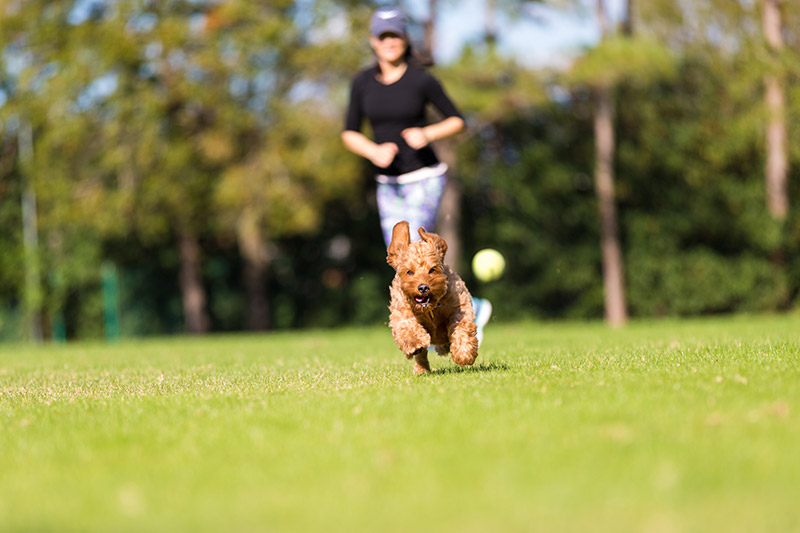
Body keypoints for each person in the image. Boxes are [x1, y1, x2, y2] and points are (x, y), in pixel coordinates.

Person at [341, 6, 492, 344]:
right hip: (388, 183)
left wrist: (428, 135)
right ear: (373, 42)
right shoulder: (362, 83)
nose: (389, 42)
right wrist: (373, 151)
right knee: (399, 258)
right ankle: (462, 310)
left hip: (424, 176)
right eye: (383, 36)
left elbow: (457, 120)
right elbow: (349, 132)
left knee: (418, 254)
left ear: (405, 40)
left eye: (395, 35)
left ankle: (455, 315)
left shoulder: (421, 79)